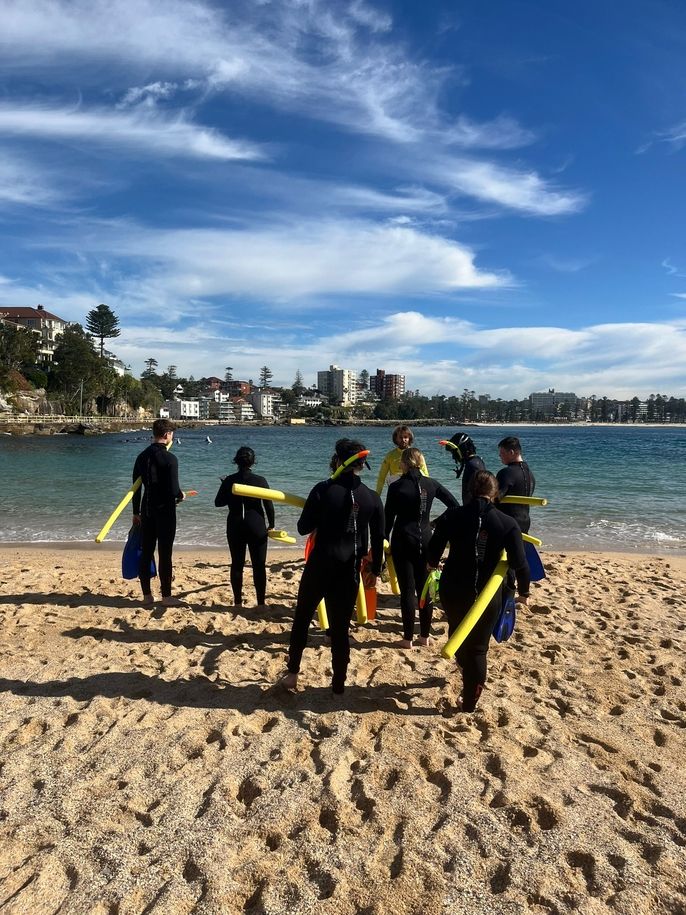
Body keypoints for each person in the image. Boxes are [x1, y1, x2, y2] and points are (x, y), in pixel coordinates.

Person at [282, 439, 385, 695]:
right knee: (340, 628)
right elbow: (379, 542)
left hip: (320, 565)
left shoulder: (323, 489)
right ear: (362, 464)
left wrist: (322, 515)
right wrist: (375, 570)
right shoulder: (372, 498)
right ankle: (338, 684)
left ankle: (292, 674)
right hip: (349, 569)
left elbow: (303, 527)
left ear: (338, 461)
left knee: (302, 619)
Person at [427, 470, 530, 712]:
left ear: (471, 491)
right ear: (495, 494)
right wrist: (524, 592)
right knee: (478, 648)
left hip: (453, 590)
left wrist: (432, 567)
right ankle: (470, 700)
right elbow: (519, 563)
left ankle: (467, 674)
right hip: (486, 595)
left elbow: (432, 554)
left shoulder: (452, 516)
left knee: (457, 633)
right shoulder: (507, 523)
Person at [385, 448, 457, 647]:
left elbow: (388, 519)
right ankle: (425, 636)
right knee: (425, 588)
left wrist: (382, 541)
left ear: (404, 463)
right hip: (426, 538)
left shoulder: (396, 486)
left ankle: (407, 638)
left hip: (403, 538)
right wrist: (435, 523)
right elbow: (454, 506)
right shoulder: (431, 484)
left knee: (407, 590)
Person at [132, 418, 185, 607]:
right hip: (165, 511)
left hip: (146, 509)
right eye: (172, 434)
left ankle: (146, 596)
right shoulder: (170, 458)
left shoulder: (141, 456)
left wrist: (135, 512)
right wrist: (181, 496)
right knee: (165, 553)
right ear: (167, 435)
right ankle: (167, 597)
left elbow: (136, 488)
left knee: (146, 552)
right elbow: (173, 490)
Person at [214, 446, 275, 608]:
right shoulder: (260, 480)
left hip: (235, 524)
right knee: (259, 565)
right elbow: (269, 505)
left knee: (237, 564)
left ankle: (238, 603)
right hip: (256, 525)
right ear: (253, 462)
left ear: (236, 461)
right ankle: (261, 603)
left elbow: (218, 503)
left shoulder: (229, 480)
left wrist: (227, 489)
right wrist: (272, 525)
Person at [496, 435, 536, 533]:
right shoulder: (530, 474)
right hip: (525, 523)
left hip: (507, 524)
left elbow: (495, 499)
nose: (499, 456)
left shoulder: (507, 473)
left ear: (511, 453)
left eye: (502, 453)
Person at [376, 425, 429, 494]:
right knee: (391, 478)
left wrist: (426, 492)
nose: (403, 440)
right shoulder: (390, 455)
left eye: (406, 437)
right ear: (396, 438)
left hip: (413, 487)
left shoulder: (417, 454)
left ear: (409, 438)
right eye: (400, 437)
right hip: (396, 488)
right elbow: (381, 477)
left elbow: (425, 473)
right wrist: (377, 495)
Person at [447, 432, 486, 505]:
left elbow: (479, 495)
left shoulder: (472, 465)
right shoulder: (475, 462)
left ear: (461, 450)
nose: (453, 457)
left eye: (453, 453)